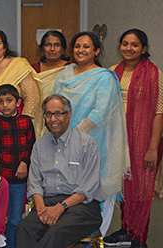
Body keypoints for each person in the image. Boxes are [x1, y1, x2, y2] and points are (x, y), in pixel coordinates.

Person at [52, 31, 129, 236]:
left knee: (96, 190)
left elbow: (101, 112)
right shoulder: (65, 74)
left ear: (96, 51)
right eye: (77, 46)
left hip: (94, 143)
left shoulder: (104, 78)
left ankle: (96, 236)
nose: (81, 50)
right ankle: (69, 234)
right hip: (62, 141)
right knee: (68, 188)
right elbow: (54, 103)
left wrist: (74, 134)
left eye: (86, 47)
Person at [15, 94, 104, 248]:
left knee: (55, 234)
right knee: (23, 230)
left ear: (68, 114)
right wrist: (41, 207)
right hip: (47, 203)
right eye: (48, 114)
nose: (53, 119)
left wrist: (61, 207)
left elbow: (88, 188)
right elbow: (35, 183)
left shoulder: (86, 144)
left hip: (81, 207)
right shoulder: (39, 145)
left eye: (58, 113)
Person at [103, 29, 163, 248]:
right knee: (123, 189)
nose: (129, 48)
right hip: (115, 140)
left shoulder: (155, 74)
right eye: (125, 43)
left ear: (144, 49)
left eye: (135, 44)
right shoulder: (111, 72)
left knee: (141, 190)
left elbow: (159, 112)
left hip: (142, 142)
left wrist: (153, 148)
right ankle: (126, 231)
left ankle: (138, 237)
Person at [0, 84, 36, 248]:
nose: (5, 105)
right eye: (0, 101)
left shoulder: (26, 121)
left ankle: (12, 245)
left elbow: (31, 146)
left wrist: (24, 163)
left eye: (9, 100)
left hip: (18, 179)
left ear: (18, 102)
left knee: (15, 218)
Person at [30, 30, 70, 135]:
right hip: (37, 119)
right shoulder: (32, 69)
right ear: (42, 48)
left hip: (61, 119)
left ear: (62, 49)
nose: (52, 49)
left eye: (57, 45)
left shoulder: (70, 69)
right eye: (48, 45)